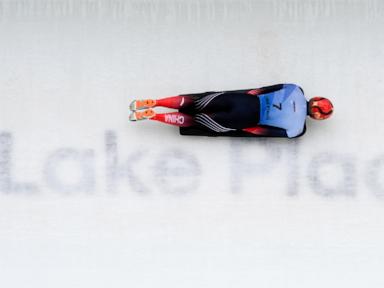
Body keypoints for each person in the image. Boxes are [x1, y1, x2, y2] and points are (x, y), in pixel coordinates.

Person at [129, 84, 334, 138]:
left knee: (196, 102)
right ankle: (154, 116)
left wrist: (249, 97)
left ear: (315, 99)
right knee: (196, 121)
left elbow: (261, 90)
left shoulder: (294, 89)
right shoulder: (296, 129)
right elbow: (259, 131)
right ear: (316, 117)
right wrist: (243, 128)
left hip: (243, 99)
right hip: (244, 118)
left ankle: (154, 102)